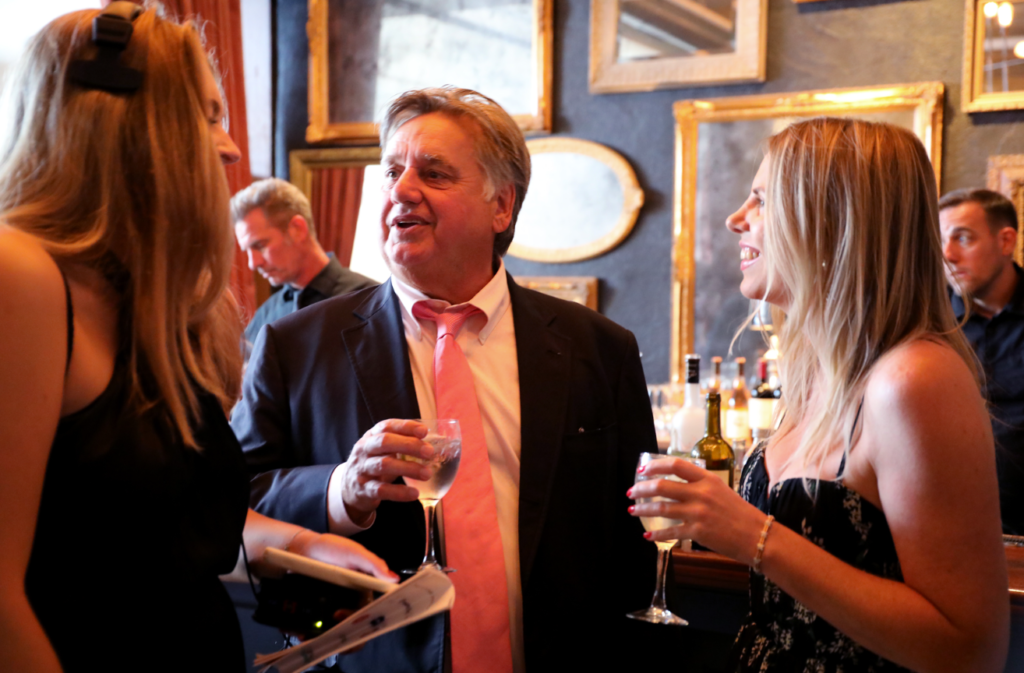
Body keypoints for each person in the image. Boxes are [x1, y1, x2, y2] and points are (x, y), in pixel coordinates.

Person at [0, 6, 395, 671]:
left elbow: (166, 526)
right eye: (208, 116)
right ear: (126, 124)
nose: (231, 147)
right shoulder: (20, 276)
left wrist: (302, 545)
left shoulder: (154, 307)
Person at [231, 86, 655, 673]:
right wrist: (340, 490)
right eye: (391, 172)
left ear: (501, 206)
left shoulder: (599, 349)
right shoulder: (295, 345)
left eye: (433, 173)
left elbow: (633, 539)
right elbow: (234, 501)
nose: (401, 190)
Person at [630, 118, 1009, 671]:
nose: (736, 219)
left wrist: (752, 535)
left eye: (761, 200)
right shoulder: (817, 371)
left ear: (832, 221)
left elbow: (969, 649)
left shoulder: (914, 377)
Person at [939, 188, 1024, 535]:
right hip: (944, 526)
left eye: (963, 238)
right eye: (941, 241)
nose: (948, 255)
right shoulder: (927, 322)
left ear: (1006, 241)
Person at [231, 178, 376, 353]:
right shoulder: (265, 315)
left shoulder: (371, 301)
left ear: (297, 229)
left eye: (260, 245)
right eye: (247, 250)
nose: (253, 263)